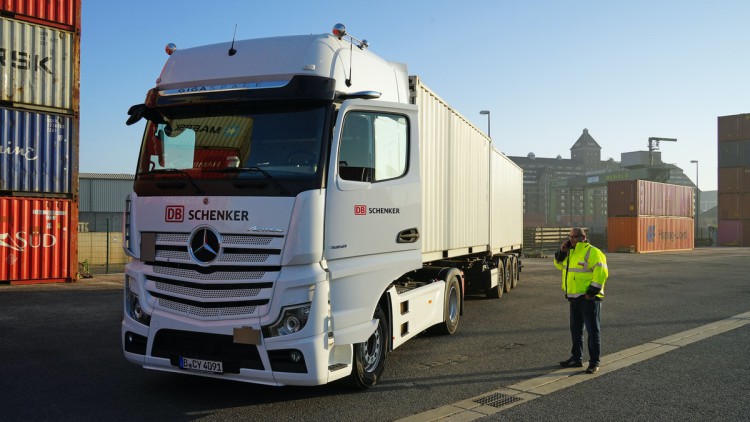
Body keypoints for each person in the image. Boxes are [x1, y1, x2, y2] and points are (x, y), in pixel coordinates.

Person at [554, 227, 608, 374]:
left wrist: (591, 293)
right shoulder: (570, 253)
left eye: (574, 237)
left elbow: (601, 273)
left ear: (583, 237)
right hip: (574, 298)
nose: (571, 239)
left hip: (589, 299)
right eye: (570, 237)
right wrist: (562, 251)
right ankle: (576, 358)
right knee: (576, 330)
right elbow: (558, 264)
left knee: (592, 331)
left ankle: (594, 362)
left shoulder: (593, 252)